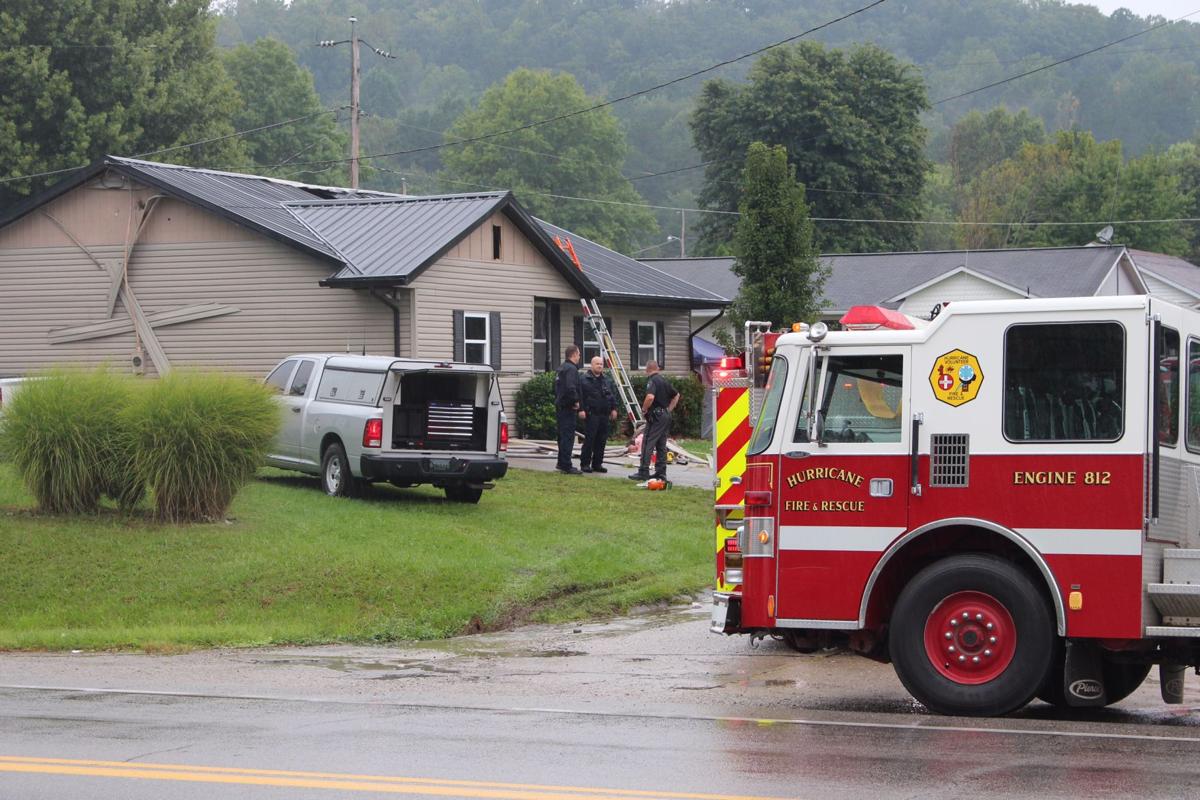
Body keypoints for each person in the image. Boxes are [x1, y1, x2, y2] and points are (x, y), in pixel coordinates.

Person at [629, 360, 678, 482]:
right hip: (665, 415)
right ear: (658, 369)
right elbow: (676, 395)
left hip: (656, 417)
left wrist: (644, 409)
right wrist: (668, 410)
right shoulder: (664, 381)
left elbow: (650, 397)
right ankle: (661, 473)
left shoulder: (652, 381)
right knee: (661, 445)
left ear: (647, 369)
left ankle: (643, 471)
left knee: (647, 442)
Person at [578, 356, 618, 473]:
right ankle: (585, 464)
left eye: (601, 364)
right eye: (597, 364)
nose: (600, 366)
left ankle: (597, 464)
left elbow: (612, 395)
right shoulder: (584, 379)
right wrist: (581, 410)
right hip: (591, 414)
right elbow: (580, 396)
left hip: (604, 415)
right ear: (591, 365)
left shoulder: (606, 380)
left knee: (601, 441)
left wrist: (614, 409)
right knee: (589, 440)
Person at [554, 345, 583, 474]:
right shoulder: (571, 369)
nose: (579, 357)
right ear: (574, 354)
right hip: (568, 407)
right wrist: (576, 400)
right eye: (579, 354)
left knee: (561, 436)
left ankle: (561, 462)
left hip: (560, 406)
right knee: (568, 437)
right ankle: (566, 465)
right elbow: (571, 387)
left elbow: (557, 388)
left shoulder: (561, 368)